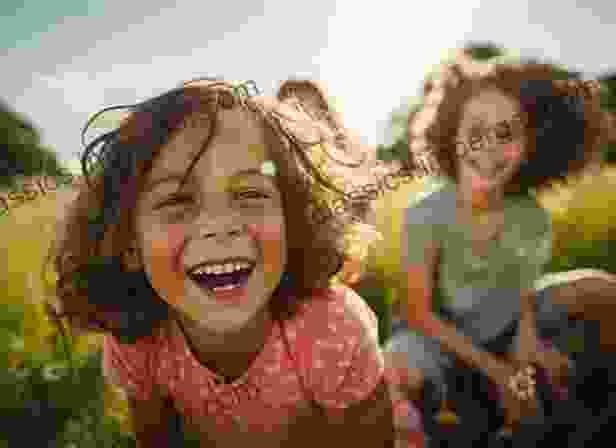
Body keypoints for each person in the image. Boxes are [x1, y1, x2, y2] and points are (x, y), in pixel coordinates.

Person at [44, 78, 425, 447]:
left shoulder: (332, 327)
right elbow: (156, 438)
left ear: (293, 222)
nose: (221, 226)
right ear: (128, 243)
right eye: (177, 201)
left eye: (248, 193)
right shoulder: (134, 339)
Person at [383, 62, 616, 444]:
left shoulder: (531, 218)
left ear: (528, 147)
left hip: (503, 329)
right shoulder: (426, 213)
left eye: (506, 134)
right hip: (435, 340)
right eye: (475, 132)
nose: (489, 147)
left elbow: (522, 300)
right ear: (451, 135)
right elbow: (418, 313)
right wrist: (497, 372)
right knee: (397, 365)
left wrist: (525, 359)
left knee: (600, 289)